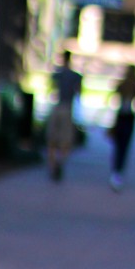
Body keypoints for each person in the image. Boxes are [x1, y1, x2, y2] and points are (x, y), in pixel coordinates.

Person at [46, 50, 82, 182]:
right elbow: (79, 94)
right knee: (65, 140)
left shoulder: (58, 75)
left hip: (58, 107)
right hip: (66, 108)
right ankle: (59, 162)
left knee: (53, 139)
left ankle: (53, 163)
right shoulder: (74, 76)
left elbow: (50, 90)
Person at [109, 64, 135, 191]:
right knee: (124, 146)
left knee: (118, 146)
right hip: (128, 118)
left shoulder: (123, 84)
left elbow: (113, 100)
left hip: (121, 117)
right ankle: (119, 171)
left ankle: (116, 170)